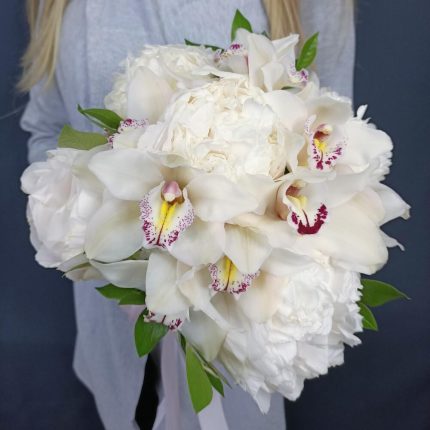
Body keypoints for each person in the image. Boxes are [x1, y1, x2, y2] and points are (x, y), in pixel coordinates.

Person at [19, 1, 355, 429]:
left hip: (238, 330)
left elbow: (331, 141)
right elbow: (48, 128)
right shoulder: (55, 7)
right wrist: (81, 224)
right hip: (111, 337)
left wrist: (217, 258)